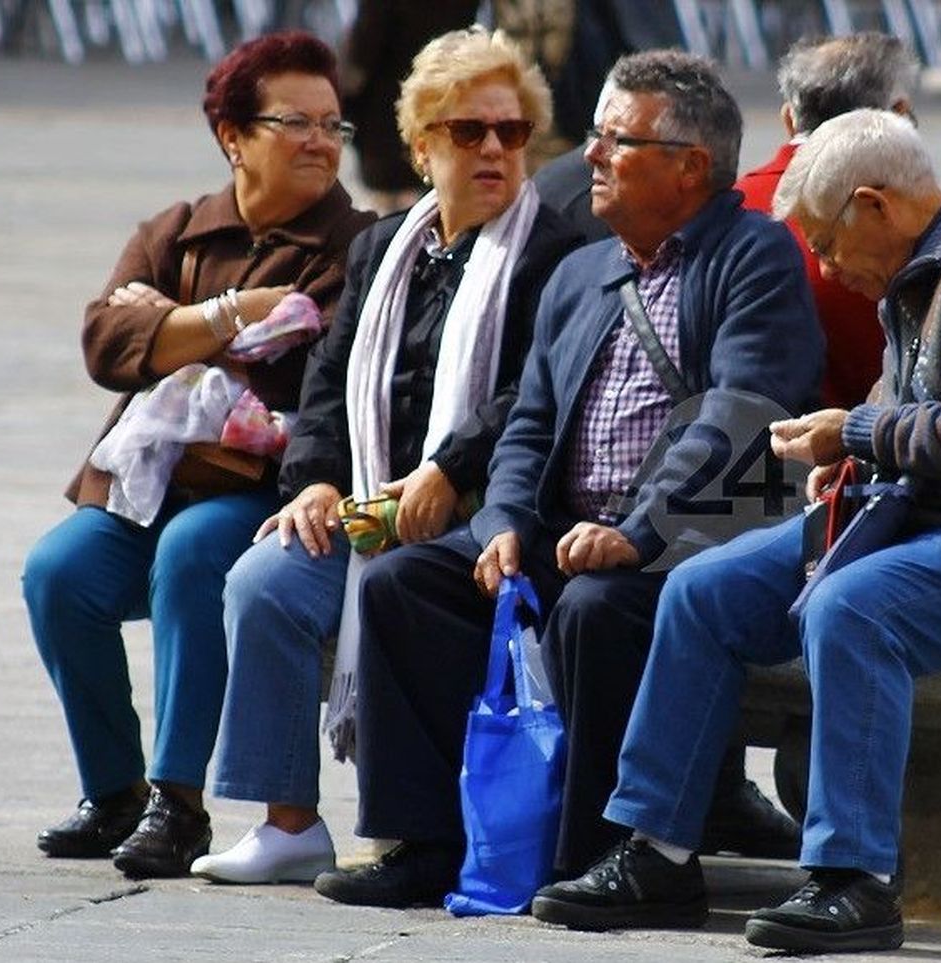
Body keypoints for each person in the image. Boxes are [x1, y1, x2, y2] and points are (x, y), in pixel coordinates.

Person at [531, 108, 941, 954]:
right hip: (921, 518)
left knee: (851, 608)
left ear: (874, 205)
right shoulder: (918, 275)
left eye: (827, 242)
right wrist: (848, 466)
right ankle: (658, 849)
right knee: (701, 590)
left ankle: (855, 878)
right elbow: (905, 418)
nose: (829, 267)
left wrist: (850, 434)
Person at [309, 50, 822, 909]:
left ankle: (600, 853)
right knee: (404, 584)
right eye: (593, 136)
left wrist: (640, 530)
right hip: (567, 531)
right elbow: (529, 421)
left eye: (614, 140)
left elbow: (741, 418)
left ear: (689, 166)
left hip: (688, 547)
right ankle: (430, 838)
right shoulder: (586, 269)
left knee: (596, 606)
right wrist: (504, 518)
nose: (586, 157)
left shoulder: (753, 258)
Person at [187, 27, 583, 886]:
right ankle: (288, 820)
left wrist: (449, 470)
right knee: (264, 581)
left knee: (411, 588)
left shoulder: (555, 257)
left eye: (511, 134)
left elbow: (534, 393)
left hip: (481, 514)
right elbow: (327, 386)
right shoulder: (382, 248)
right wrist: (318, 480)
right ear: (421, 144)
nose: (493, 151)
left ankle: (422, 833)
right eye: (468, 131)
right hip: (371, 505)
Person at [23, 32, 375, 879]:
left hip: (263, 488)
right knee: (58, 572)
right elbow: (107, 342)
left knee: (193, 554)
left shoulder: (358, 244)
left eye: (335, 124)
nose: (323, 141)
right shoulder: (178, 228)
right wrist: (234, 315)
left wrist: (172, 326)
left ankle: (176, 803)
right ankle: (112, 791)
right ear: (233, 136)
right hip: (150, 484)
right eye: (298, 121)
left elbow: (301, 364)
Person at [735, 32, 910, 409]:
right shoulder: (901, 224)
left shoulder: (725, 208)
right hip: (862, 451)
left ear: (788, 118)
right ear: (898, 117)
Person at [340, 0, 479, 213]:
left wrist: (348, 94)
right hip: (444, 97)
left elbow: (364, 46)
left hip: (387, 108)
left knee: (388, 207)